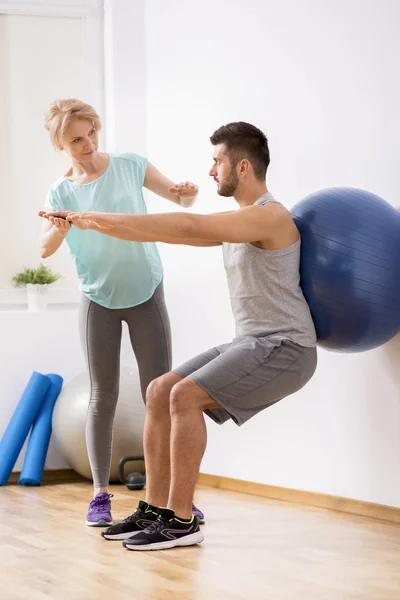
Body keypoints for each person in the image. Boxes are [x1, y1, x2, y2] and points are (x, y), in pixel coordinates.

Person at [44, 121, 318, 551]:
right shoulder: (239, 221)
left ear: (242, 166)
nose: (211, 171)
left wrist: (103, 217)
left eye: (217, 161)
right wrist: (94, 223)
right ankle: (155, 509)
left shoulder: (270, 216)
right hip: (250, 341)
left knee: (183, 396)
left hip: (285, 347)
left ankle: (183, 519)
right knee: (159, 390)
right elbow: (167, 231)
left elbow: (189, 226)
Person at [39, 98, 205, 527]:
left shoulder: (130, 165)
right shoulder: (61, 192)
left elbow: (178, 200)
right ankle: (99, 494)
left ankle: (171, 497)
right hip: (98, 299)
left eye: (91, 132)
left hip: (146, 289)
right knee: (102, 396)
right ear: (61, 144)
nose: (88, 143)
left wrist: (186, 194)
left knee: (161, 394)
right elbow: (43, 249)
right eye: (76, 139)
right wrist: (59, 230)